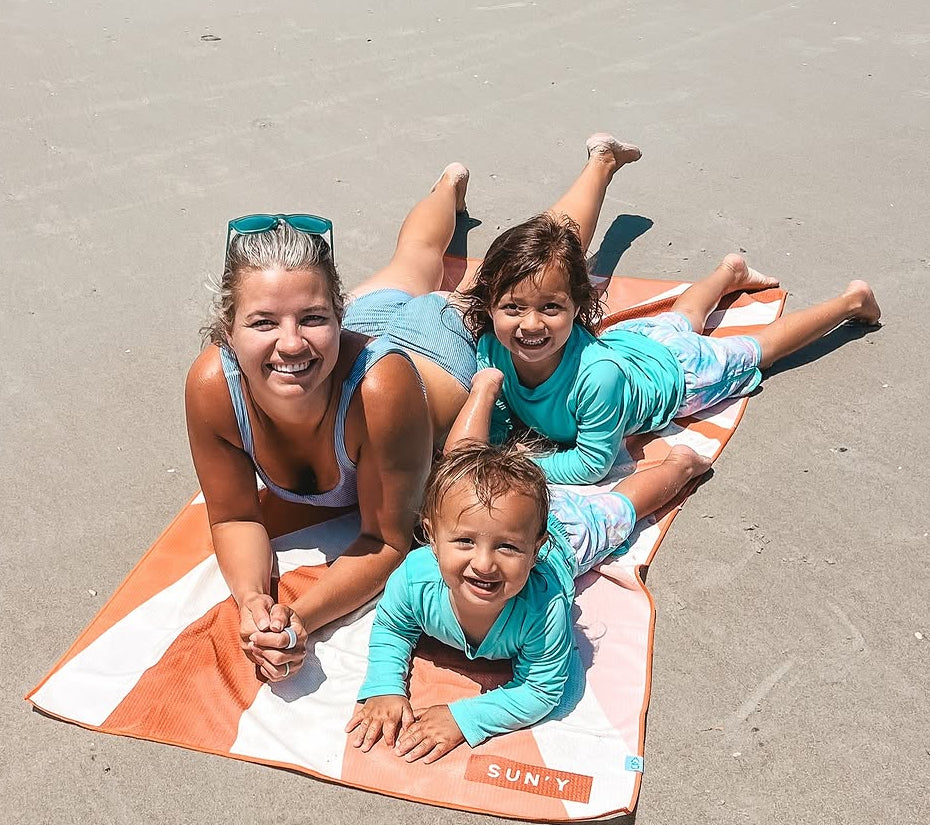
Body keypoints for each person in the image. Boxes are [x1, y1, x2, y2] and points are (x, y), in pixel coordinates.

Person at [186, 164, 477, 684]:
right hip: (362, 329)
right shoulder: (214, 385)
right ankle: (448, 187)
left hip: (435, 346)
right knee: (414, 257)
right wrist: (254, 601)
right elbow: (233, 517)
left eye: (313, 317)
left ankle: (598, 167)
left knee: (508, 273)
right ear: (227, 331)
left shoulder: (379, 392)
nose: (291, 341)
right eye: (263, 322)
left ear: (337, 316)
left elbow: (386, 541)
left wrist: (300, 618)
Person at [345, 373, 711, 763]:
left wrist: (465, 717)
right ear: (432, 539)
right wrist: (384, 685)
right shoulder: (415, 578)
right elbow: (392, 626)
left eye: (507, 548)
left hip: (568, 530)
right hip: (511, 515)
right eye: (465, 542)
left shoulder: (542, 605)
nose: (484, 564)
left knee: (622, 510)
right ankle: (484, 388)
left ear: (535, 551)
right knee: (458, 468)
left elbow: (542, 690)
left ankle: (679, 466)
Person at [458, 218, 882, 485]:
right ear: (490, 306)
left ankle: (850, 302)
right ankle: (728, 272)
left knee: (759, 349)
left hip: (680, 375)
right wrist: (492, 442)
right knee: (682, 319)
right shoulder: (492, 348)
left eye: (551, 307)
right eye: (513, 307)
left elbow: (591, 465)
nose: (531, 324)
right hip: (633, 341)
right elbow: (497, 419)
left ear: (579, 305)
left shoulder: (596, 377)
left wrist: (512, 463)